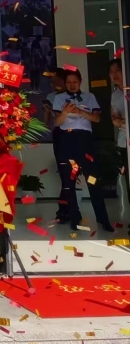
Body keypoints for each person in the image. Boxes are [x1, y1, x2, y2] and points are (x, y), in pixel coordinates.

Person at [52, 69, 114, 233]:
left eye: (75, 82)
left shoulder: (89, 97)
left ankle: (103, 219)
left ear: (80, 82)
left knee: (93, 180)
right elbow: (57, 122)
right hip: (67, 140)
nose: (72, 85)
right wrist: (65, 112)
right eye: (69, 82)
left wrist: (81, 112)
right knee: (69, 182)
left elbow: (97, 118)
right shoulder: (59, 98)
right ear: (65, 84)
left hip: (85, 141)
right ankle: (74, 217)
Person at [44, 68, 69, 223]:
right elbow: (48, 123)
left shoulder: (73, 95)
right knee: (64, 173)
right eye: (52, 81)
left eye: (56, 80)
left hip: (74, 134)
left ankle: (69, 209)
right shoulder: (51, 97)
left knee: (72, 174)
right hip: (59, 135)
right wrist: (47, 111)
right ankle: (64, 210)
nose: (53, 83)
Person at [109, 58, 130, 200]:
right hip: (124, 142)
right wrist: (121, 122)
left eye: (117, 70)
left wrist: (122, 122)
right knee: (128, 178)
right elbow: (115, 119)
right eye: (111, 72)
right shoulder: (115, 95)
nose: (114, 74)